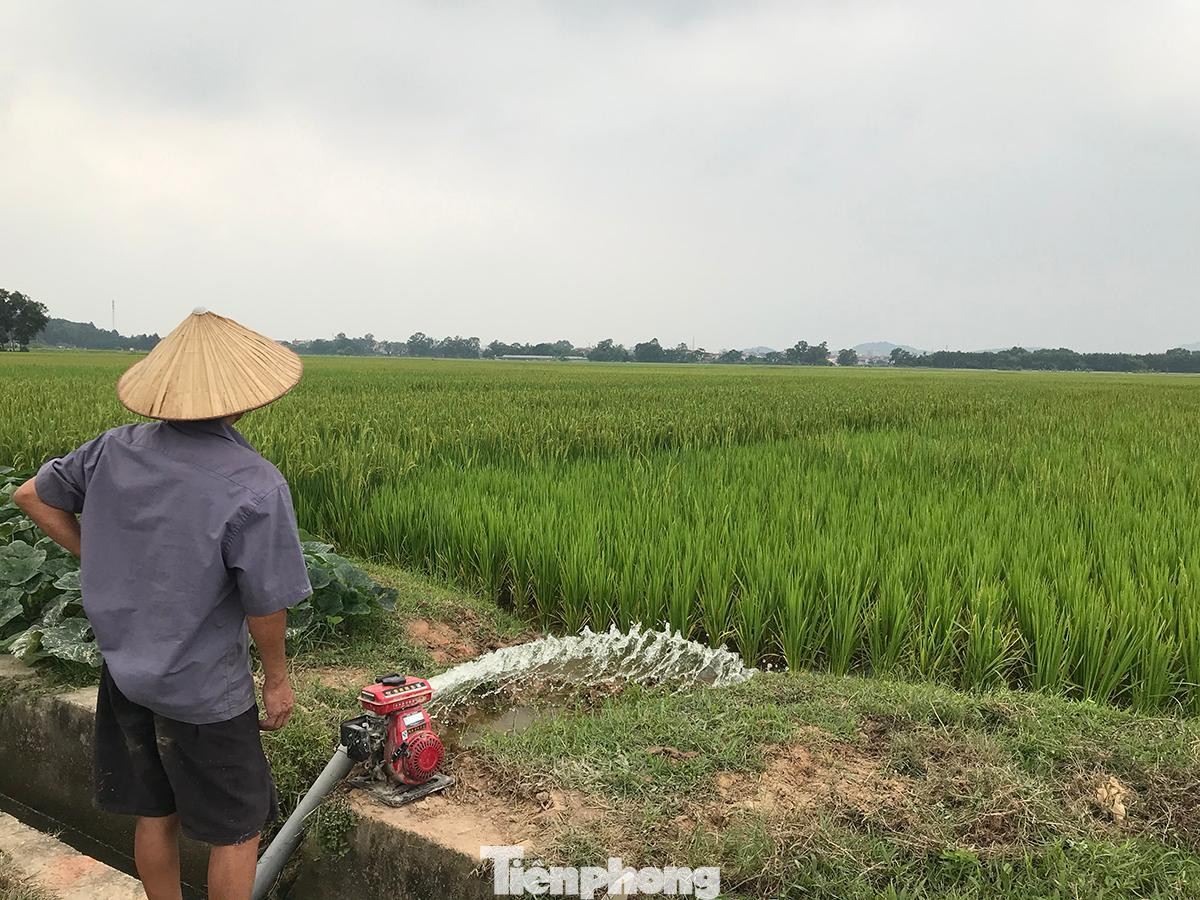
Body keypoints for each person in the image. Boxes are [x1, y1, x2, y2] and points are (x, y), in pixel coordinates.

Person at [13, 308, 311, 900]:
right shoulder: (255, 484)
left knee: (156, 812)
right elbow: (265, 604)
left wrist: (96, 555)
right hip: (204, 691)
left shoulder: (114, 449)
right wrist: (277, 680)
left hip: (126, 674)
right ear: (245, 399)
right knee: (237, 830)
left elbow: (32, 495)